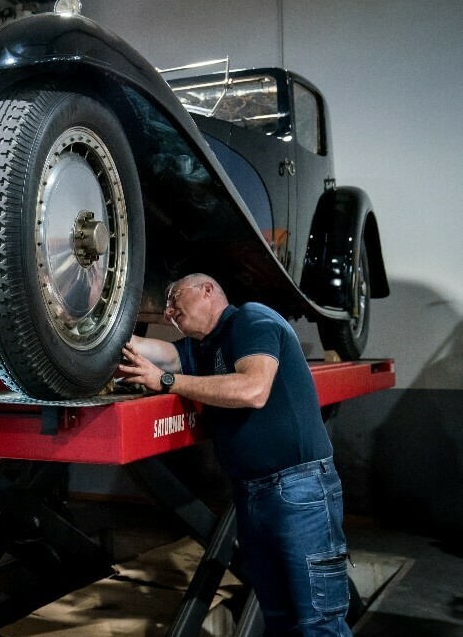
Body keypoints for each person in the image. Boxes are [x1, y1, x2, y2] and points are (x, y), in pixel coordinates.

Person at [118, 273, 351, 636]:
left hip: (298, 491)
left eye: (174, 299)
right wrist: (109, 334)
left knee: (319, 624)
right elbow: (164, 353)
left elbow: (253, 388)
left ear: (208, 290)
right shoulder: (206, 348)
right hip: (253, 493)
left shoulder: (252, 320)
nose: (168, 312)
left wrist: (165, 382)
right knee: (278, 618)